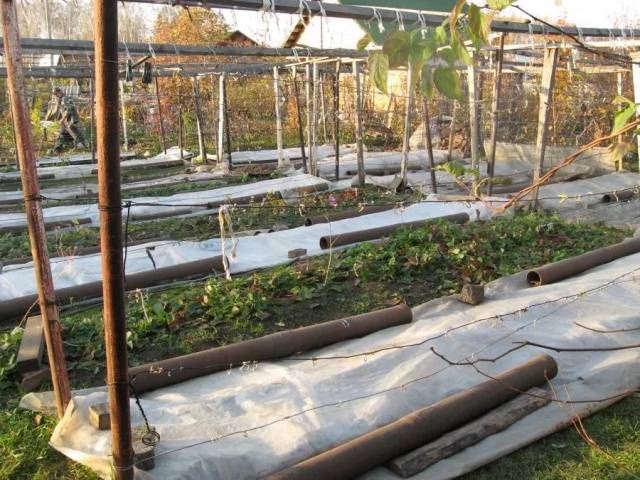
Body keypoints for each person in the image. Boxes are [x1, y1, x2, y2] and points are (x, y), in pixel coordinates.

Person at [45, 87, 86, 154]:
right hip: (67, 123)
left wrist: (62, 119)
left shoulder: (65, 99)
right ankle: (57, 150)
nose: (56, 96)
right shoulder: (62, 100)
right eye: (55, 95)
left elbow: (69, 110)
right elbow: (60, 112)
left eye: (56, 94)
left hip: (71, 121)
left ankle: (80, 147)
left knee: (76, 136)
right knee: (62, 135)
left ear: (60, 92)